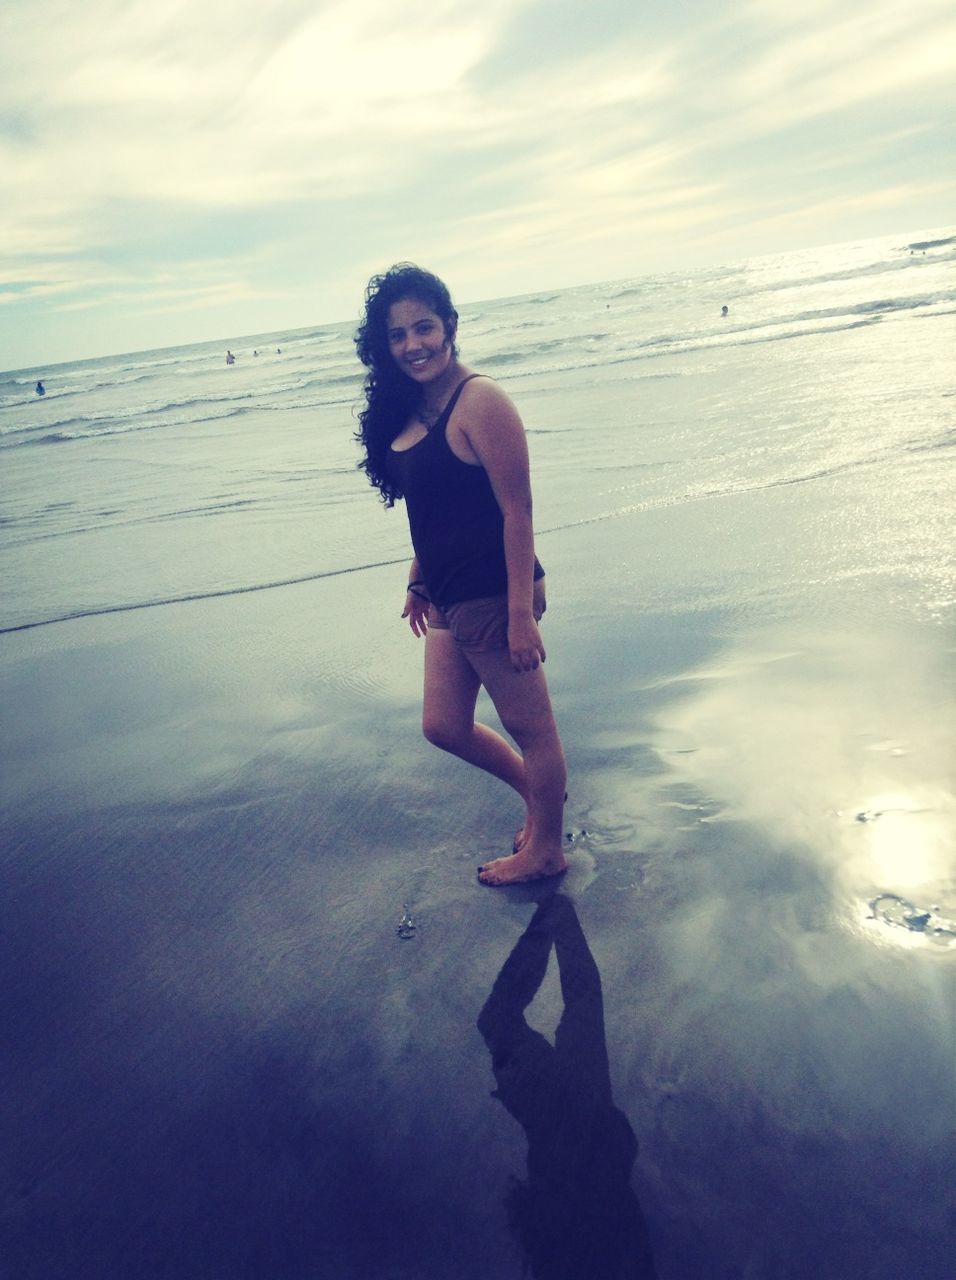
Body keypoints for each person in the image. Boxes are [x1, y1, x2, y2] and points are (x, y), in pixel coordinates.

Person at [354, 264, 567, 886]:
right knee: (442, 726)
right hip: (448, 594)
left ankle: (547, 848)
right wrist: (419, 577)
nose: (413, 344)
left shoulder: (482, 402)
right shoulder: (414, 405)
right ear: (384, 345)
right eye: (398, 335)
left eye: (424, 327)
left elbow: (516, 510)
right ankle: (541, 800)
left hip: (495, 595)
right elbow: (436, 510)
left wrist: (522, 614)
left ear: (449, 326)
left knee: (534, 731)